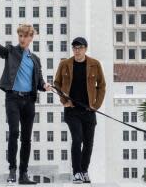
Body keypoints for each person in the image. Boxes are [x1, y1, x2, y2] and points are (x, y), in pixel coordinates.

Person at [0, 24, 51, 185]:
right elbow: (1, 51)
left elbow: (39, 81)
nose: (22, 39)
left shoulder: (35, 60)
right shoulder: (11, 51)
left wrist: (45, 86)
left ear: (31, 38)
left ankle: (23, 174)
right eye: (20, 36)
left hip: (29, 101)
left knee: (27, 139)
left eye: (25, 36)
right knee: (14, 132)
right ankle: (12, 170)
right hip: (13, 99)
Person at [53, 37, 107, 184]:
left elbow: (101, 85)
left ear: (85, 49)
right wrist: (64, 100)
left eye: (80, 48)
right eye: (75, 48)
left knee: (89, 142)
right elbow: (56, 83)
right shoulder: (65, 64)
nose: (77, 51)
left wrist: (96, 104)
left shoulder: (95, 64)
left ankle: (84, 171)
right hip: (72, 110)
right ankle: (76, 172)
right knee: (77, 139)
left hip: (89, 110)